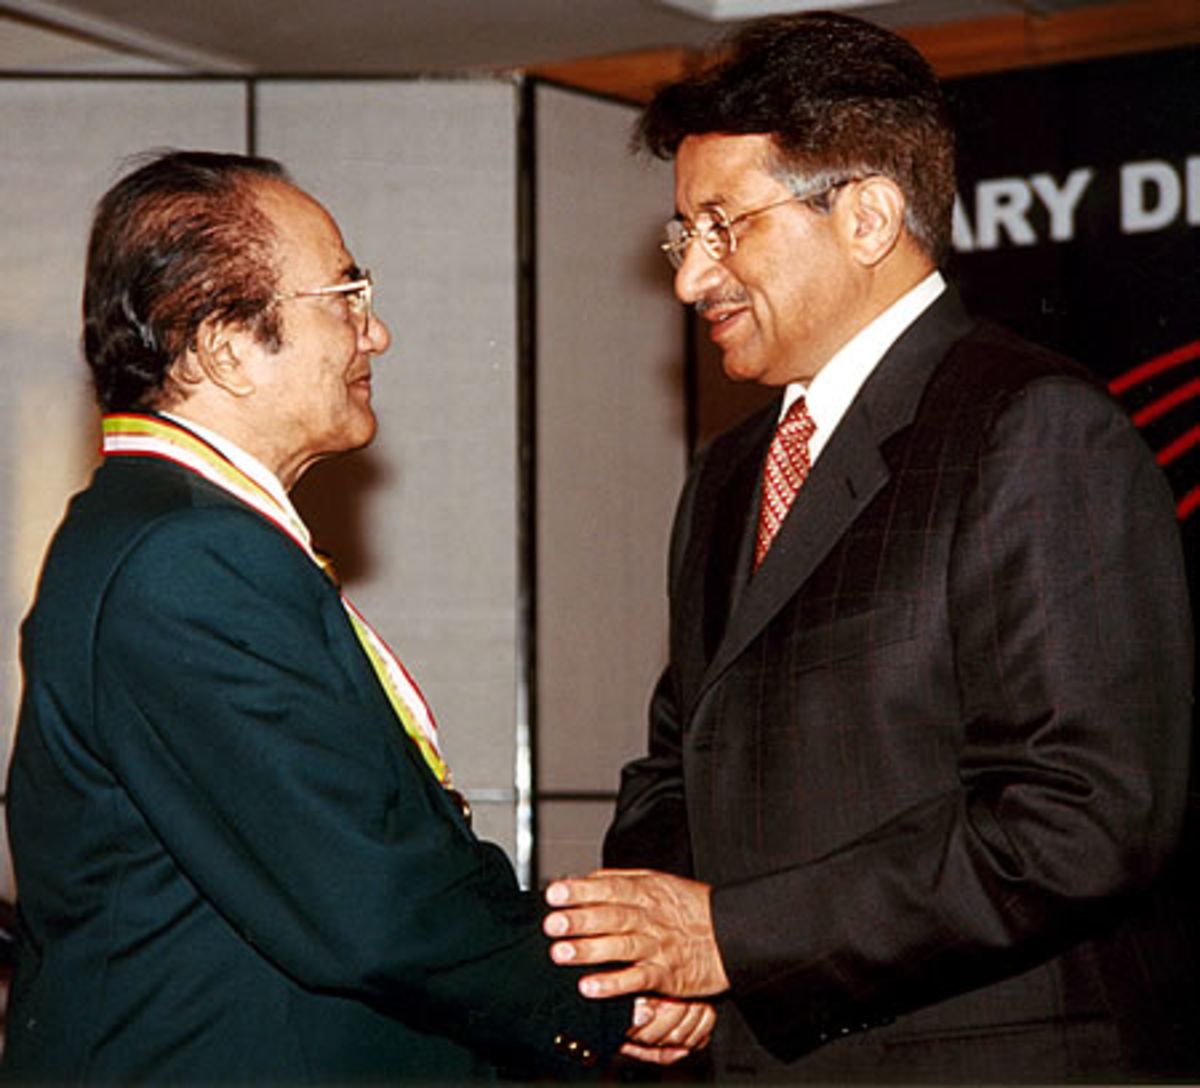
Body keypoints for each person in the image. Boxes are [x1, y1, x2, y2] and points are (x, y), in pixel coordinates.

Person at [542, 12, 1197, 1083]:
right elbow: (676, 764)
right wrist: (663, 952)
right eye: (681, 236)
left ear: (868, 216)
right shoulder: (726, 473)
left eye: (724, 226)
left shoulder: (1033, 426)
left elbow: (1082, 814)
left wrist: (733, 938)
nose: (689, 279)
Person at [3, 149, 713, 1083]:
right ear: (225, 345)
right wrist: (607, 989)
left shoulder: (163, 532)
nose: (374, 335)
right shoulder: (186, 557)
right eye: (345, 295)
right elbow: (370, 893)